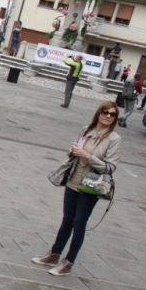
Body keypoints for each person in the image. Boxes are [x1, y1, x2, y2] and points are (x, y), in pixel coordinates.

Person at [32, 102, 121, 276]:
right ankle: (54, 254)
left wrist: (88, 156)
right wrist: (73, 150)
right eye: (105, 112)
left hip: (91, 186)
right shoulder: (86, 130)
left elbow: (110, 167)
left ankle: (68, 263)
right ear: (99, 113)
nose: (108, 116)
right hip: (73, 180)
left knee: (79, 223)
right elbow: (73, 151)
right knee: (67, 220)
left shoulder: (114, 139)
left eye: (112, 114)